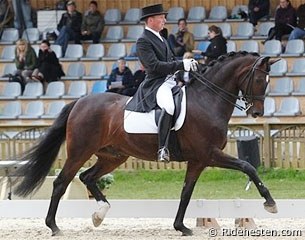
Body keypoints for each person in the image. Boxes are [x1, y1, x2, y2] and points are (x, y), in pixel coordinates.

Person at [125, 4, 198, 162]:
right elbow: (154, 66)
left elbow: (171, 61)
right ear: (150, 20)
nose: (164, 20)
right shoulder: (143, 41)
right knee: (169, 106)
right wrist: (181, 64)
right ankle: (163, 148)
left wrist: (186, 63)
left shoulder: (162, 38)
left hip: (171, 82)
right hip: (156, 84)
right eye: (161, 17)